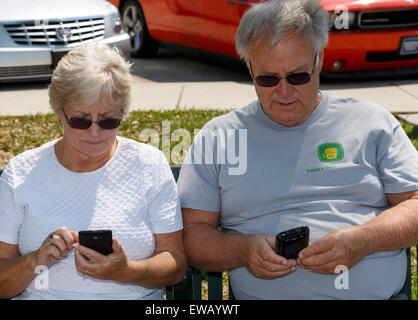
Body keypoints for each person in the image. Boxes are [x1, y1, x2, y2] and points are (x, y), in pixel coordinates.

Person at [177, 0, 418, 299]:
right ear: (249, 66)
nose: (284, 92)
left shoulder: (370, 122)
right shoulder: (220, 138)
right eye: (267, 78)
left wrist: (364, 240)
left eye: (298, 76)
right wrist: (242, 250)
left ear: (318, 60)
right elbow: (192, 235)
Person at [0, 43, 186, 300]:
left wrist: (125, 271)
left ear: (123, 113)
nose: (95, 132)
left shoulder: (148, 164)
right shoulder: (23, 171)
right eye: (80, 120)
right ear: (59, 112)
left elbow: (175, 263)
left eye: (109, 120)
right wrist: (36, 260)